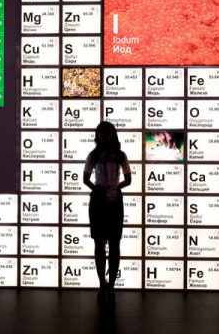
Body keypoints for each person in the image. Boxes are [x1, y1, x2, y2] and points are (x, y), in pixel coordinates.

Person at [83, 121, 131, 304]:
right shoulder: (93, 155)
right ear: (97, 135)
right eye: (100, 132)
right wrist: (98, 190)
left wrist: (114, 187)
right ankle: (101, 284)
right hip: (98, 201)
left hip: (115, 200)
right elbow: (85, 178)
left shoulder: (120, 155)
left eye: (107, 131)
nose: (103, 134)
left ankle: (111, 286)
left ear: (113, 134)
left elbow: (128, 179)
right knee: (99, 243)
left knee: (115, 243)